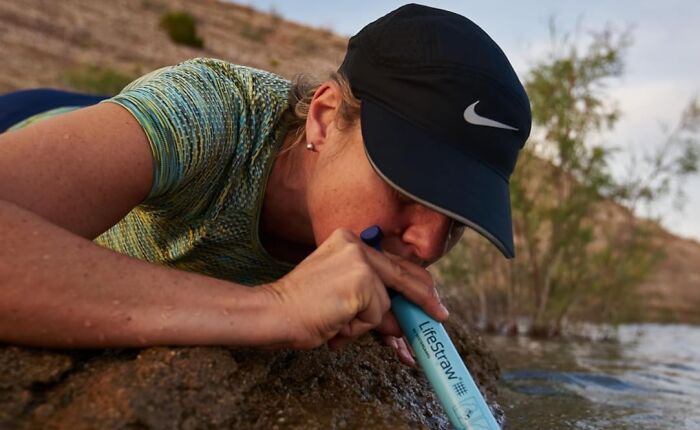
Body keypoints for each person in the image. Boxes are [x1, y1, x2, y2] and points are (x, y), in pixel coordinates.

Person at [0, 4, 530, 366]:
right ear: (323, 118)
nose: (430, 244)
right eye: (409, 188)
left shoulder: (369, 233)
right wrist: (276, 306)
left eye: (457, 216)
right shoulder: (205, 119)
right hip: (32, 120)